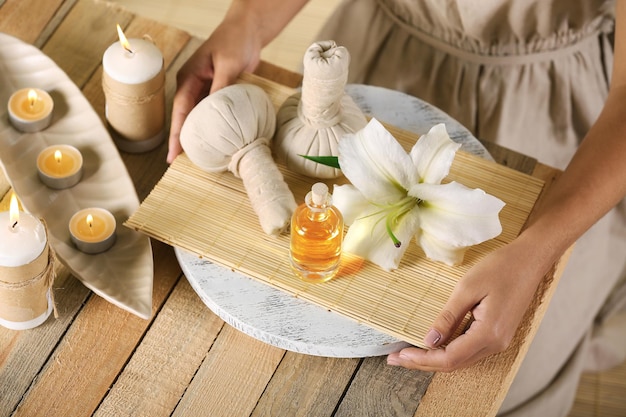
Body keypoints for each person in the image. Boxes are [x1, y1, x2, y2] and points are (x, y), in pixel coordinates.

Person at [168, 1, 626, 415]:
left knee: (508, 368)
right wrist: (248, 18)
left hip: (561, 117)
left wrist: (533, 252)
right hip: (384, 54)